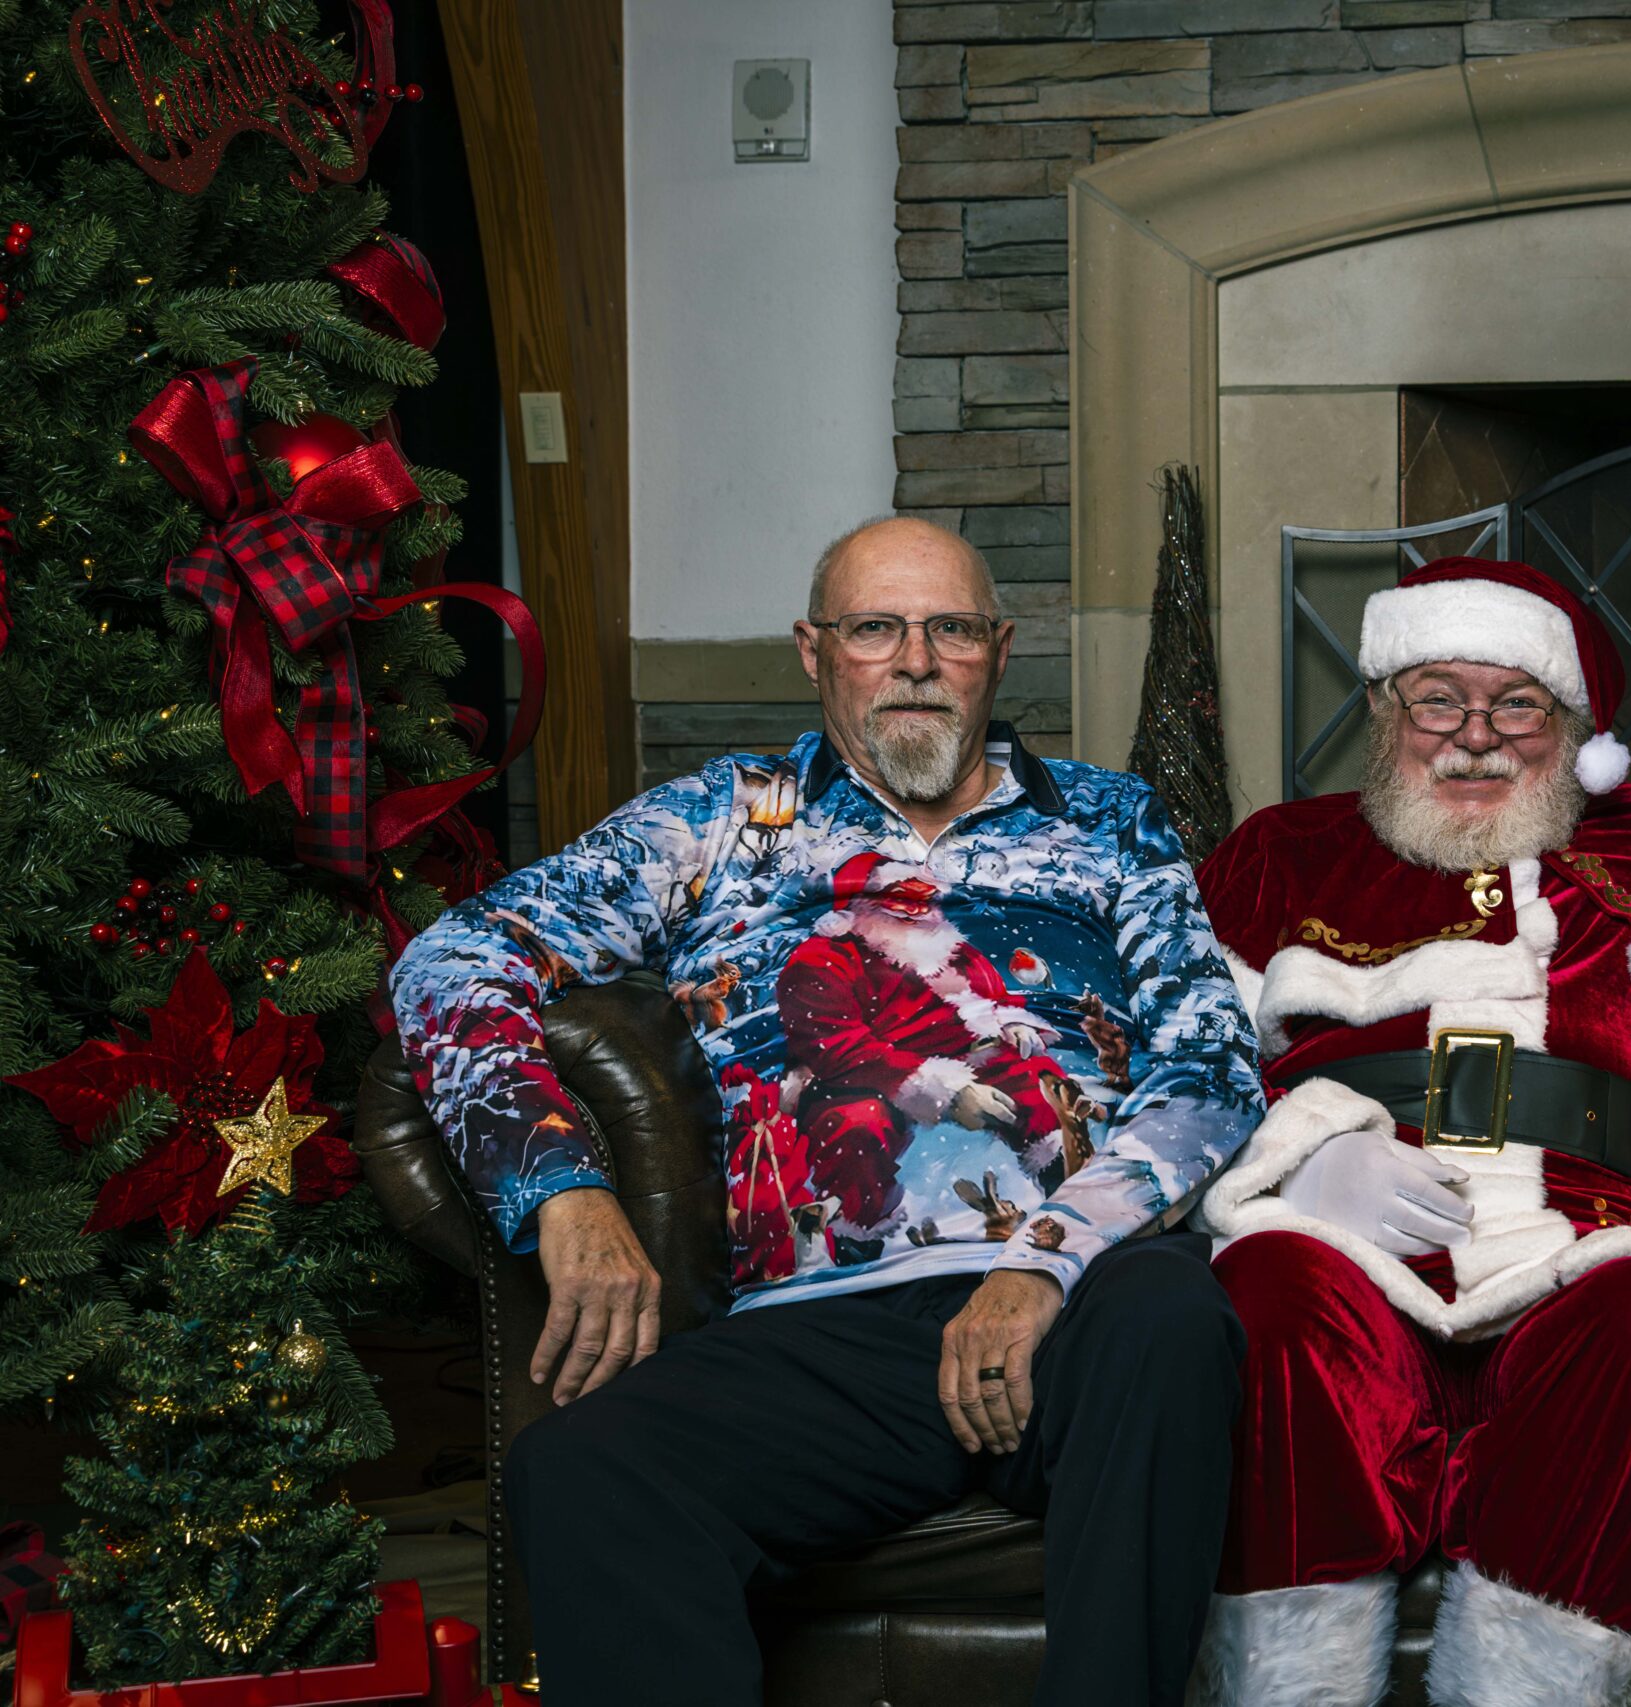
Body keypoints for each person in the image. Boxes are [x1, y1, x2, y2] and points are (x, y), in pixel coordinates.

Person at [390, 516, 1263, 1707]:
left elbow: (1209, 1068)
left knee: (1170, 1317)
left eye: (951, 629)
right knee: (583, 1470)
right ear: (813, 651)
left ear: (1000, 650)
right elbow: (450, 962)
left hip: (1076, 1297)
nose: (916, 661)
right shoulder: (718, 820)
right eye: (875, 629)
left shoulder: (1111, 821)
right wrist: (561, 1188)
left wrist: (1043, 1260)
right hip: (828, 1328)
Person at [1188, 558, 1631, 1707]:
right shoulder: (1280, 853)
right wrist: (1292, 1162)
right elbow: (1176, 1071)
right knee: (1268, 1305)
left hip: (1583, 1242)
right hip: (1338, 1244)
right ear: (1383, 709)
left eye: (1517, 706)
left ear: (1574, 729)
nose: (1476, 737)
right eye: (1438, 700)